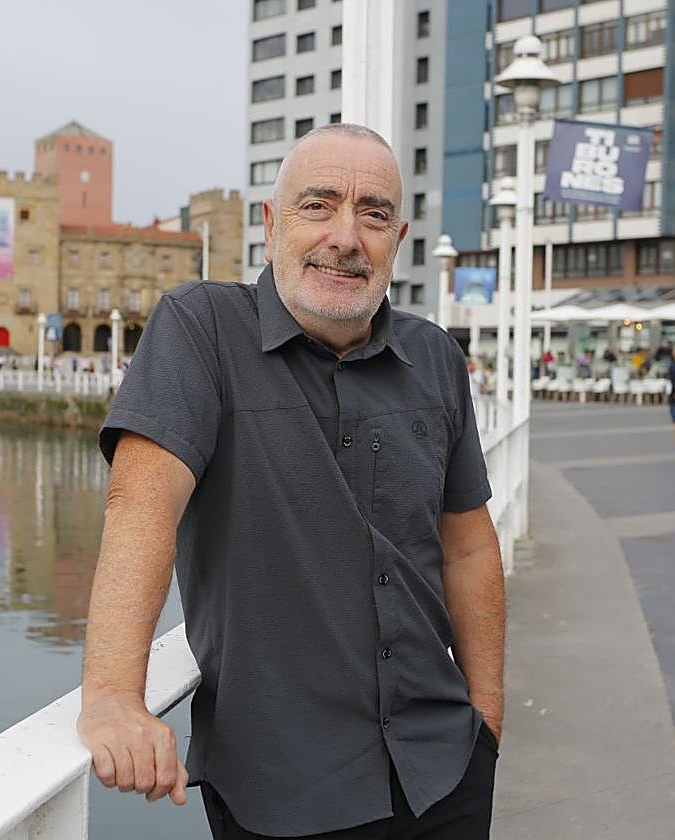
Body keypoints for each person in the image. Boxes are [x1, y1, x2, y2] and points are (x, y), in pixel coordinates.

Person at [78, 124, 504, 839]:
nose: (345, 236)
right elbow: (141, 508)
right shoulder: (203, 329)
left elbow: (468, 547)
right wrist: (115, 696)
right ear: (271, 226)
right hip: (280, 790)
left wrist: (486, 718)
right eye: (318, 205)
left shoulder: (435, 358)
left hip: (442, 772)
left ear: (397, 239)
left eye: (372, 213)